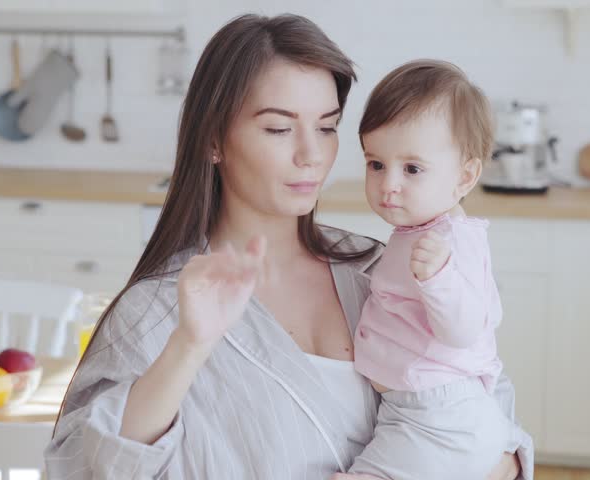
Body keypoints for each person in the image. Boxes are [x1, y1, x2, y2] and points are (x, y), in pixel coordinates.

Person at [45, 13, 533, 480]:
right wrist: (188, 346)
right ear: (213, 140)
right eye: (279, 128)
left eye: (327, 127)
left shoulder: (381, 267)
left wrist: (503, 465)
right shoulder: (154, 311)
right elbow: (84, 468)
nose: (312, 154)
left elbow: (491, 409)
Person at [346, 59, 526, 480]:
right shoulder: (423, 229)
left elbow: (465, 330)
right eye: (376, 164)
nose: (388, 184)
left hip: (440, 415)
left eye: (412, 169)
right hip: (418, 409)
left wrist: (440, 278)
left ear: (465, 177)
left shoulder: (451, 244)